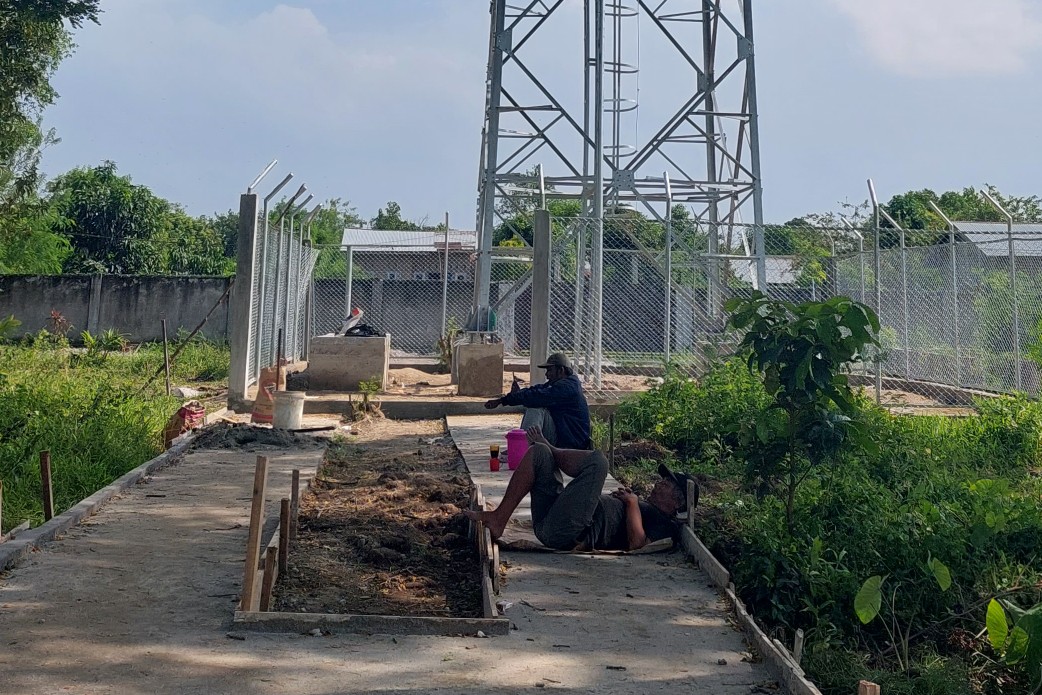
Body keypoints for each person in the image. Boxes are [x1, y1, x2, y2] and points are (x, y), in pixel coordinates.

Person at [464, 426, 698, 552]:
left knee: (599, 463)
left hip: (569, 533)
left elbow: (637, 543)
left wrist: (632, 503)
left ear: (678, 501)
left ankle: (552, 448)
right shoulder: (647, 506)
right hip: (553, 519)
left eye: (666, 484)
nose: (659, 483)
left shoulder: (664, 523)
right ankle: (499, 518)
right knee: (538, 454)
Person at [484, 352, 592, 450]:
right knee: (535, 402)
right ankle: (524, 448)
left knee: (535, 409)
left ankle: (523, 450)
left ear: (561, 370)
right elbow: (535, 390)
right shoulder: (561, 383)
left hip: (571, 445)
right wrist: (507, 399)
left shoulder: (566, 388)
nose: (546, 375)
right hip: (563, 436)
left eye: (549, 370)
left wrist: (503, 400)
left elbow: (536, 397)